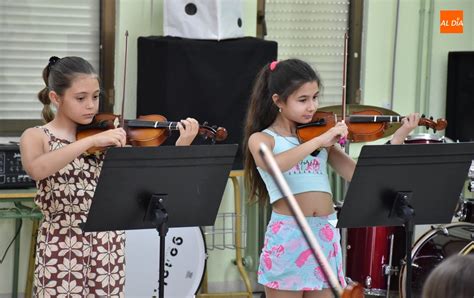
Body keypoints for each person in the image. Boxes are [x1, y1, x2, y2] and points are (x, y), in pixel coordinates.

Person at [20, 56, 199, 297]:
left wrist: (182, 146)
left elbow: (151, 183)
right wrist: (91, 141)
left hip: (108, 244)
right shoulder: (36, 136)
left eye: (95, 97)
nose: (91, 106)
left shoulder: (109, 138)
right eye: (81, 98)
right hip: (61, 243)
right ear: (56, 98)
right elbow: (37, 169)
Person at [242, 58, 419, 298]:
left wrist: (397, 138)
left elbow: (359, 176)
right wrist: (320, 141)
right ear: (278, 101)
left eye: (315, 97)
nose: (312, 107)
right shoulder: (263, 139)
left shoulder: (319, 138)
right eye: (302, 100)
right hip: (289, 237)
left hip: (325, 234)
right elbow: (274, 166)